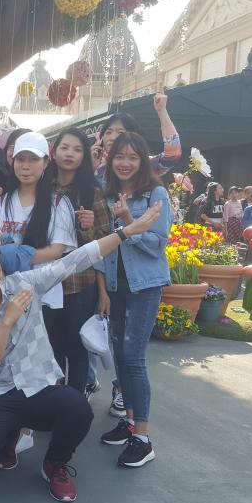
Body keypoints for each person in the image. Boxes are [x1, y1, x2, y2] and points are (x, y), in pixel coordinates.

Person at [0, 199, 163, 502]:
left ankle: (54, 464)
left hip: (41, 386)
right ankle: (9, 438)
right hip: (3, 393)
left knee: (78, 409)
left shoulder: (25, 284)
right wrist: (7, 321)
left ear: (1, 269)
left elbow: (75, 259)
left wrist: (125, 232)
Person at [0, 131, 77, 469]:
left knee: (38, 367)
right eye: (20, 160)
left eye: (33, 160)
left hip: (43, 296)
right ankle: (13, 430)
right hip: (7, 296)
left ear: (45, 164)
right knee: (9, 365)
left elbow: (59, 250)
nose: (26, 166)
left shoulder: (58, 204)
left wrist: (19, 257)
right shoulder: (2, 203)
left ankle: (31, 432)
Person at [95, 132, 173, 468]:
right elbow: (103, 247)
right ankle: (128, 421)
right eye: (119, 156)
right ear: (110, 160)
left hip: (144, 286)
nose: (125, 163)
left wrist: (129, 221)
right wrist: (102, 290)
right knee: (120, 356)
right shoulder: (108, 194)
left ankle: (142, 436)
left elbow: (157, 245)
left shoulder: (155, 194)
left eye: (132, 157)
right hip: (115, 286)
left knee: (134, 357)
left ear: (143, 161)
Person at [43, 128, 111, 394]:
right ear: (54, 152)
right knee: (52, 347)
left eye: (77, 149)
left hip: (80, 285)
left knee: (78, 347)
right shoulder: (41, 188)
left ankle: (76, 402)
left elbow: (105, 241)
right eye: (64, 147)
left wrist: (89, 228)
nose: (70, 154)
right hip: (47, 282)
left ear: (84, 156)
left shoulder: (92, 192)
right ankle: (56, 402)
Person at [91, 93, 181, 188]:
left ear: (134, 137)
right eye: (108, 132)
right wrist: (91, 168)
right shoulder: (97, 167)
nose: (112, 138)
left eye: (120, 132)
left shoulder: (144, 165)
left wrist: (162, 111)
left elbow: (172, 155)